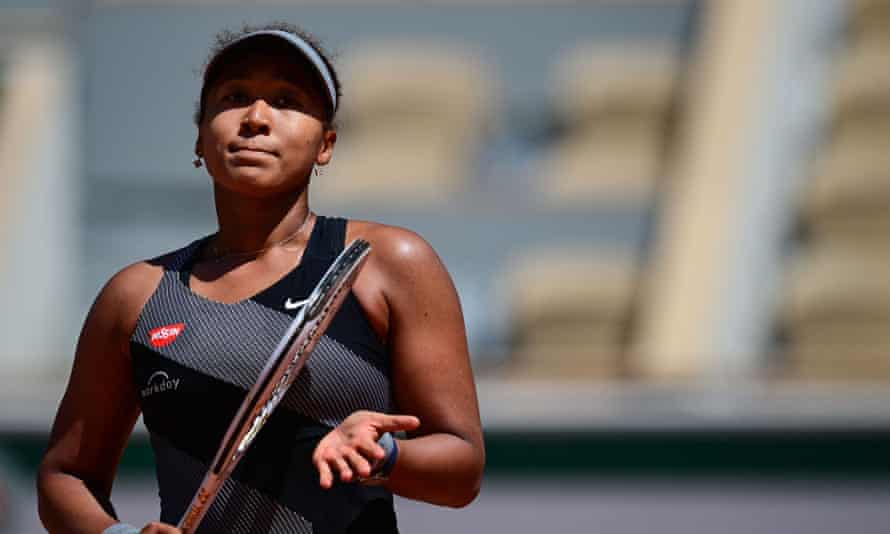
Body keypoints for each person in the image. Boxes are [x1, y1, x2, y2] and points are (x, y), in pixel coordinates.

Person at [37, 22, 485, 534]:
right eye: (235, 96)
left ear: (326, 145)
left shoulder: (387, 262)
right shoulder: (135, 296)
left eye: (287, 100)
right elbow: (65, 475)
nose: (256, 118)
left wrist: (380, 453)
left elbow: (463, 470)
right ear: (200, 137)